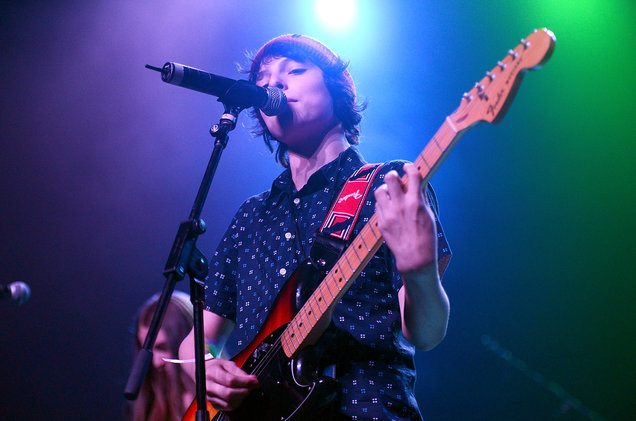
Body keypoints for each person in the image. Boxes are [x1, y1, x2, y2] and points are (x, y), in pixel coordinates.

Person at [179, 34, 452, 420]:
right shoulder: (252, 216)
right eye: (263, 78)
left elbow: (425, 334)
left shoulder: (388, 186)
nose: (273, 83)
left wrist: (420, 272)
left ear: (336, 90)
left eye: (294, 70)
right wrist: (202, 370)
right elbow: (198, 339)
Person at [127, 291, 195, 421]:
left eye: (162, 348)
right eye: (148, 352)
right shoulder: (148, 407)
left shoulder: (221, 400)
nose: (156, 362)